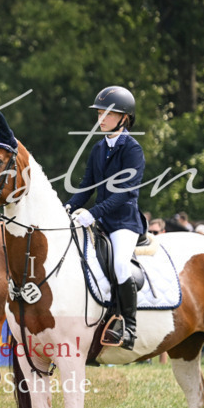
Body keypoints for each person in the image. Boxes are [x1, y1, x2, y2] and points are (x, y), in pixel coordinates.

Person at [65, 85, 147, 350]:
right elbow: (87, 187)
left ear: (124, 118)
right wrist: (67, 208)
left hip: (124, 222)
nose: (101, 118)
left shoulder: (132, 149)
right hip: (100, 220)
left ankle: (130, 327)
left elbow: (125, 193)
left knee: (120, 264)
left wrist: (92, 213)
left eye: (108, 114)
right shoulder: (98, 149)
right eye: (99, 113)